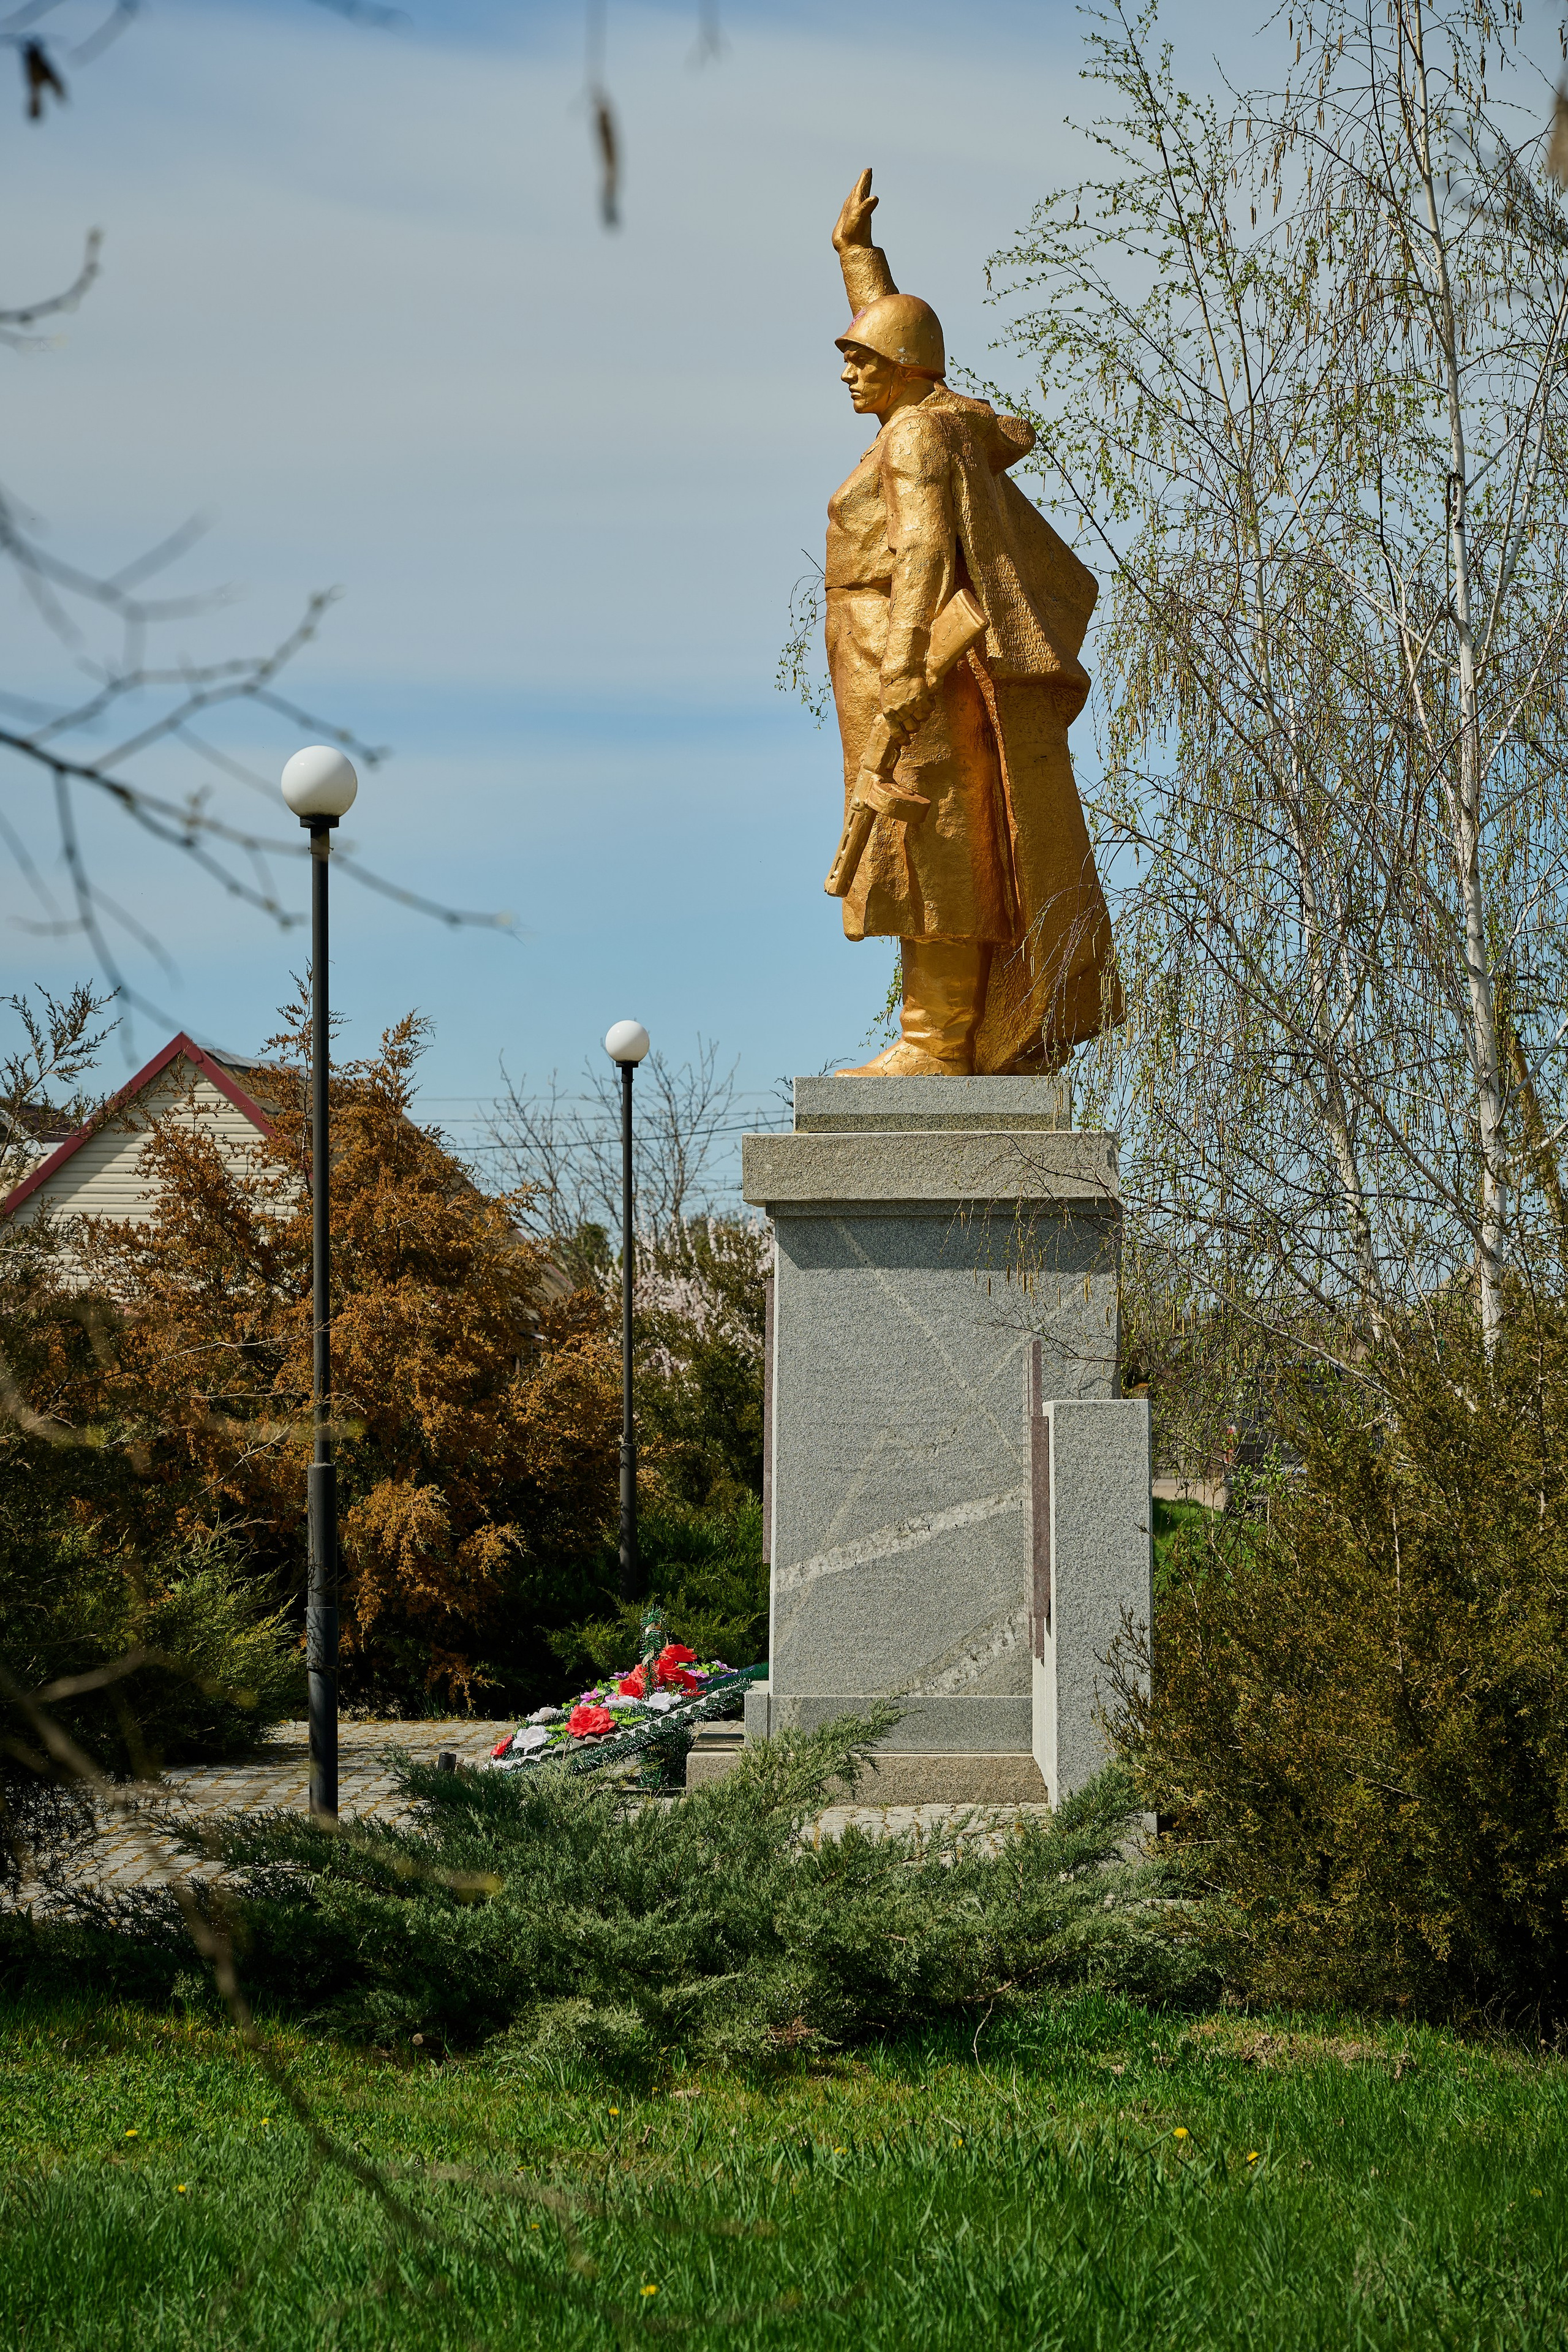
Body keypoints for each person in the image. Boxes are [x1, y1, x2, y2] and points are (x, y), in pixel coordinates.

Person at [824, 168, 1121, 1076]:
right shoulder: (930, 417)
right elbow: (907, 344)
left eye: (861, 361)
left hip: (908, 659)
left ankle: (936, 1042)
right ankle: (943, 1034)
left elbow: (922, 551)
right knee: (924, 840)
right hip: (895, 654)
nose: (847, 373)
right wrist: (859, 261)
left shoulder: (916, 435)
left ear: (903, 373)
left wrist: (908, 667)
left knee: (927, 846)